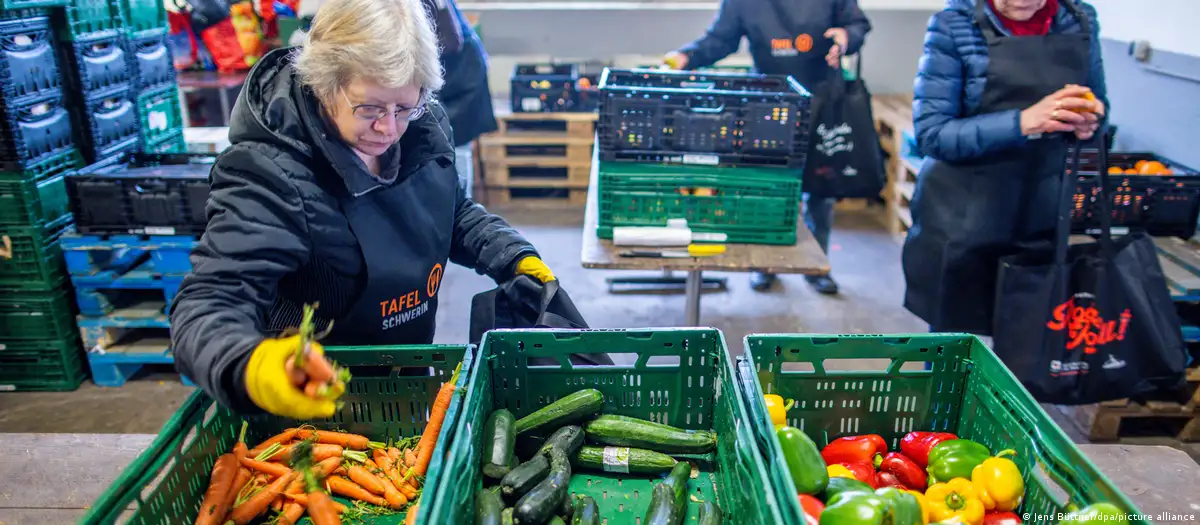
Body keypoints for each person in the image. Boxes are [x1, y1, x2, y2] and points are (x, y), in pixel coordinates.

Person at [170, 0, 555, 420]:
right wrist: (253, 367)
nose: (388, 128)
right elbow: (207, 303)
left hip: (405, 379)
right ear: (323, 83)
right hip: (312, 403)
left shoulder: (422, 128)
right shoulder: (267, 171)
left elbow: (448, 209)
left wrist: (509, 253)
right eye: (369, 109)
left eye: (403, 108)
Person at [902, 0, 1107, 336]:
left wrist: (1090, 123)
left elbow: (1099, 105)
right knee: (954, 349)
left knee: (1028, 347)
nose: (1020, 2)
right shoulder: (955, 24)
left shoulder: (1080, 20)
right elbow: (933, 134)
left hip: (1040, 215)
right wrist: (1024, 122)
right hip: (963, 220)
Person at [663, 0, 872, 295]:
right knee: (767, 189)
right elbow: (721, 39)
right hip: (769, 101)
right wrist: (687, 56)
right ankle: (765, 265)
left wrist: (845, 38)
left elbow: (858, 24)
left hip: (822, 98)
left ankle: (817, 266)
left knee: (820, 191)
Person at [422, 0, 498, 198]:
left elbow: (451, 41)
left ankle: (460, 209)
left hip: (462, 77)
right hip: (445, 75)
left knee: (454, 142)